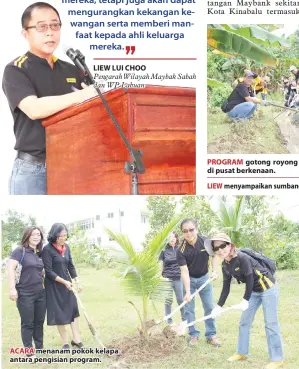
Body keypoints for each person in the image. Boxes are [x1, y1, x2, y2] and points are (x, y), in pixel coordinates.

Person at [2, 2, 99, 195]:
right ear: (25, 33)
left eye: (55, 25)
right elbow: (34, 109)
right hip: (33, 170)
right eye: (41, 27)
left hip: (71, 166)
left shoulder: (72, 69)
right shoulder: (16, 69)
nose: (50, 32)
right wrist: (80, 96)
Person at [208, 233, 284, 369]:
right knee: (244, 322)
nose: (220, 250)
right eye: (216, 248)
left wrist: (245, 300)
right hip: (254, 291)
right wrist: (218, 306)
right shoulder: (225, 265)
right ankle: (242, 353)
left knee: (271, 324)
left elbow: (249, 279)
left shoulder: (242, 257)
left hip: (268, 289)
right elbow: (226, 287)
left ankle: (277, 359)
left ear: (230, 245)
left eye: (223, 245)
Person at [176, 219, 220, 346]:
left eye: (191, 230)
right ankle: (193, 335)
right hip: (189, 279)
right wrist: (188, 292)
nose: (188, 233)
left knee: (209, 307)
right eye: (185, 231)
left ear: (196, 229)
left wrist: (214, 271)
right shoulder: (181, 250)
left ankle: (211, 335)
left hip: (204, 278)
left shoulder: (206, 242)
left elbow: (215, 255)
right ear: (182, 233)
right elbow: (184, 272)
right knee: (189, 309)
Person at [41, 223, 83, 349]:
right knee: (59, 313)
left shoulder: (67, 247)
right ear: (54, 235)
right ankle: (65, 342)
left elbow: (70, 265)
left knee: (73, 311)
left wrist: (77, 280)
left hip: (68, 284)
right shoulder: (47, 249)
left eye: (65, 235)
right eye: (60, 236)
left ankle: (76, 339)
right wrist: (64, 282)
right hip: (54, 286)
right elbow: (48, 271)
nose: (63, 238)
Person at [7, 226, 46, 355]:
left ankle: (40, 349)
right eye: (33, 234)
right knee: (28, 323)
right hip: (25, 293)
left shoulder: (39, 253)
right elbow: (10, 269)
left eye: (38, 235)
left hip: (40, 293)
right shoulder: (20, 251)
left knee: (39, 322)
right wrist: (12, 289)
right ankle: (29, 352)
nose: (36, 237)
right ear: (27, 236)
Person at [159, 231, 184, 325]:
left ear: (176, 238)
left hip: (178, 278)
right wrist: (160, 276)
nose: (172, 239)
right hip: (167, 278)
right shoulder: (164, 250)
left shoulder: (180, 249)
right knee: (168, 300)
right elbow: (161, 263)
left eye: (173, 237)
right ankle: (169, 321)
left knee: (181, 300)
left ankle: (184, 319)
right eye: (170, 237)